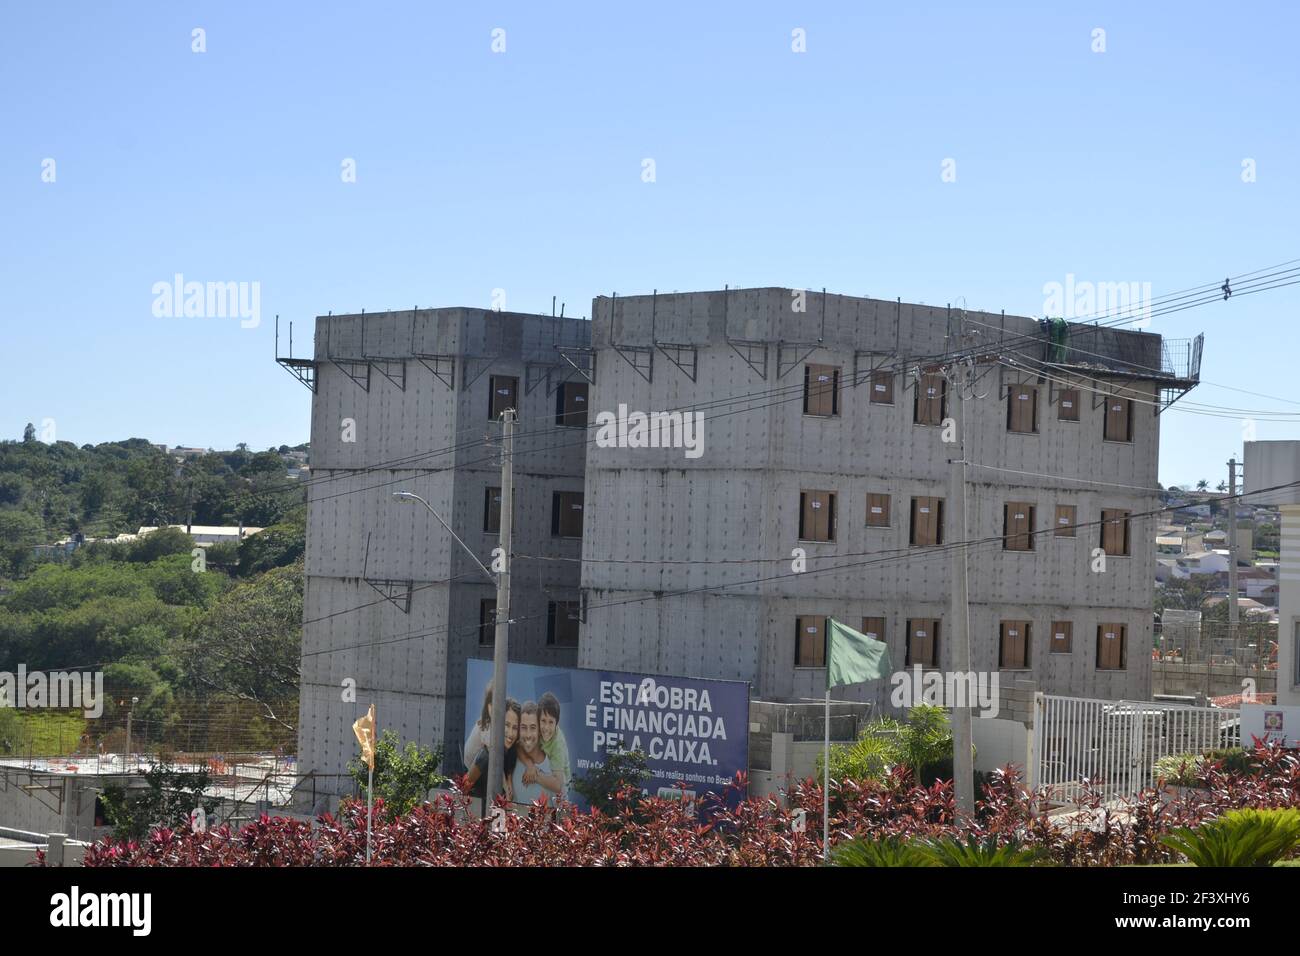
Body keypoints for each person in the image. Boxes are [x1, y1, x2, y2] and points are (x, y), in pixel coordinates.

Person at [463, 698, 520, 802]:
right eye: (506, 725)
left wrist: (509, 781)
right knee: (486, 755)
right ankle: (463, 792)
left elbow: (509, 760)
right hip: (471, 770)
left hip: (489, 773)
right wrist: (506, 789)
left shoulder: (511, 744)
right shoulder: (489, 730)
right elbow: (494, 759)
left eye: (515, 728)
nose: (510, 733)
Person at [520, 691, 569, 800]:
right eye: (543, 721)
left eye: (551, 722)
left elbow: (558, 786)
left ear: (556, 723)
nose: (546, 727)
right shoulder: (536, 730)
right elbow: (518, 745)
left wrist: (534, 774)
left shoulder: (558, 745)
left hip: (561, 783)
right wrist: (529, 764)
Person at [510, 701, 553, 806]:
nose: (528, 735)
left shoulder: (553, 768)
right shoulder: (511, 755)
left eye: (533, 728)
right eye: (524, 728)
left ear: (540, 730)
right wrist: (529, 764)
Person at [463, 683, 494, 770]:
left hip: (473, 763)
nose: (495, 708)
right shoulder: (486, 725)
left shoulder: (487, 720)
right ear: (487, 706)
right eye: (492, 704)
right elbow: (493, 752)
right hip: (468, 768)